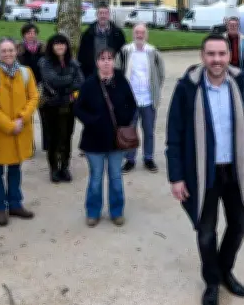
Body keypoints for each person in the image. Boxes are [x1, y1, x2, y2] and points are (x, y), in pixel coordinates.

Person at [166, 34, 244, 305]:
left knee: (239, 225)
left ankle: (225, 271)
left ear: (229, 55)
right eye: (211, 54)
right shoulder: (187, 88)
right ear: (202, 56)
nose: (217, 60)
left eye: (222, 54)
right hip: (202, 173)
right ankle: (212, 282)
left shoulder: (243, 84)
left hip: (236, 170)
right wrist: (176, 177)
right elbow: (173, 135)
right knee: (205, 232)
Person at [75, 47, 137, 227]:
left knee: (116, 177)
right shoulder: (89, 84)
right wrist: (92, 121)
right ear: (97, 62)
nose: (107, 62)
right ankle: (93, 212)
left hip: (117, 141)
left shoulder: (121, 81)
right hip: (94, 140)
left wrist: (124, 121)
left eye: (110, 58)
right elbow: (78, 108)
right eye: (103, 59)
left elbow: (132, 105)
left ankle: (116, 211)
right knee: (95, 178)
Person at [0, 38, 40, 226]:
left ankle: (15, 203)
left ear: (16, 51)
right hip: (0, 131)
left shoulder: (26, 73)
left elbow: (34, 97)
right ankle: (0, 207)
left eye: (11, 50)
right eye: (4, 51)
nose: (8, 54)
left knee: (15, 168)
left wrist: (22, 118)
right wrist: (9, 125)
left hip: (21, 128)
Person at [116, 23, 165, 174]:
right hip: (130, 100)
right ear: (133, 34)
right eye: (137, 32)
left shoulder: (153, 52)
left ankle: (148, 158)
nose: (139, 35)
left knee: (149, 131)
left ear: (146, 35)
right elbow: (117, 71)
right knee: (130, 130)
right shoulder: (125, 51)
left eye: (142, 32)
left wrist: (155, 89)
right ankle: (130, 160)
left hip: (148, 99)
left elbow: (160, 74)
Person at [38, 33, 85, 182]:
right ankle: (54, 168)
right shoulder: (44, 62)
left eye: (63, 44)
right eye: (57, 44)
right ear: (52, 46)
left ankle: (64, 166)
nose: (60, 46)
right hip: (51, 105)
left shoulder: (73, 62)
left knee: (67, 136)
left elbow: (81, 82)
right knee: (53, 137)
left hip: (68, 105)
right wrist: (70, 80)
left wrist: (67, 85)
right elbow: (53, 80)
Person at [17, 23, 47, 150]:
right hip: (25, 85)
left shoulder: (43, 48)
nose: (32, 35)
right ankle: (29, 144)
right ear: (24, 34)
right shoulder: (19, 49)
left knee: (45, 115)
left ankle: (47, 144)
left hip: (41, 85)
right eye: (29, 32)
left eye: (34, 32)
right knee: (27, 115)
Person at [78, 3, 127, 79]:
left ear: (109, 15)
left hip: (112, 73)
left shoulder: (118, 34)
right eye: (100, 13)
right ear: (96, 15)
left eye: (105, 13)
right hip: (91, 73)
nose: (103, 16)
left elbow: (123, 54)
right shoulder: (87, 34)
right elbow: (81, 56)